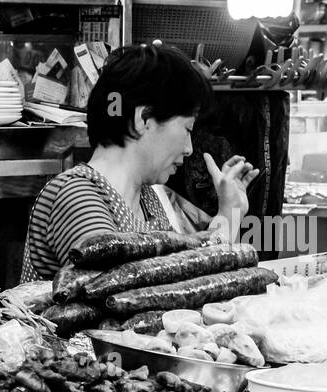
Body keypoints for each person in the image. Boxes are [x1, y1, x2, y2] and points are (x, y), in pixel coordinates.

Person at [20, 42, 260, 281]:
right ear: (143, 118)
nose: (189, 149)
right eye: (187, 129)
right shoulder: (76, 196)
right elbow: (118, 290)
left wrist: (230, 212)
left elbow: (184, 275)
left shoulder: (149, 199)